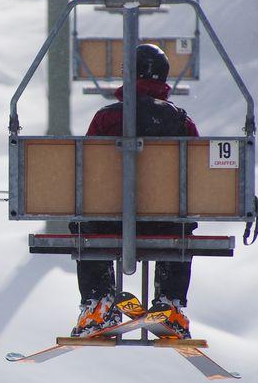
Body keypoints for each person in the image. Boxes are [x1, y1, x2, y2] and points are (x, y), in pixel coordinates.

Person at [71, 43, 198, 339]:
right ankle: (170, 305)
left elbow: (87, 169)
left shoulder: (107, 118)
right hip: (166, 223)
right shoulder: (180, 121)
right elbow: (196, 173)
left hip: (108, 220)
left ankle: (98, 303)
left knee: (84, 220)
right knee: (182, 224)